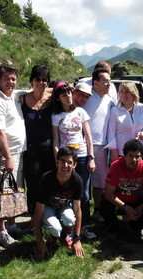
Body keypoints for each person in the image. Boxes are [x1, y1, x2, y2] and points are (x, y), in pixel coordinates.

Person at [52, 82, 96, 239]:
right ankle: (68, 227)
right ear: (58, 99)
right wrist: (58, 160)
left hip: (82, 156)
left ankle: (85, 225)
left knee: (84, 193)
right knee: (68, 192)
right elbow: (56, 141)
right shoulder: (56, 116)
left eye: (69, 93)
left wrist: (91, 157)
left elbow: (89, 137)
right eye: (64, 95)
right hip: (66, 159)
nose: (68, 97)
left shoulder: (81, 112)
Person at [0, 63, 27, 247]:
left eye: (13, 79)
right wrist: (7, 157)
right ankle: (0, 232)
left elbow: (40, 89)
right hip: (6, 154)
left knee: (13, 190)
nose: (10, 82)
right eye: (6, 79)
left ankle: (12, 226)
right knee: (3, 193)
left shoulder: (14, 96)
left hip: (18, 151)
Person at [99, 139, 143, 240]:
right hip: (119, 203)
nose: (134, 160)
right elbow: (108, 193)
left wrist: (142, 207)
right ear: (124, 156)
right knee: (104, 204)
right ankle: (112, 228)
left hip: (137, 203)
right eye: (131, 156)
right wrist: (124, 207)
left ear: (142, 157)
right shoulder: (116, 166)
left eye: (137, 156)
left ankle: (135, 226)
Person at [34, 146, 85, 258]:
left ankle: (64, 235)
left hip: (64, 206)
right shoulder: (46, 179)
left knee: (70, 219)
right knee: (56, 229)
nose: (65, 166)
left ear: (74, 165)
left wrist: (77, 239)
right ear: (57, 162)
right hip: (48, 208)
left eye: (69, 162)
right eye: (62, 161)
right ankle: (53, 236)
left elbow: (77, 209)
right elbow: (37, 212)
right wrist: (39, 241)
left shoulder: (77, 180)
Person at [20, 65, 55, 221]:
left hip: (49, 149)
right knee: (33, 185)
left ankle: (48, 216)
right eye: (38, 79)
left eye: (45, 80)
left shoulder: (52, 98)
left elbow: (66, 91)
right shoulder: (22, 99)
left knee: (48, 182)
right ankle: (34, 218)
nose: (41, 82)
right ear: (31, 81)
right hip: (31, 150)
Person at [81, 67, 115, 221]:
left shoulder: (110, 101)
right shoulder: (86, 98)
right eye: (105, 81)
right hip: (82, 146)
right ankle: (80, 212)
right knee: (83, 182)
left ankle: (97, 210)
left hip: (102, 146)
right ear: (95, 82)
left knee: (100, 182)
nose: (109, 84)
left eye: (109, 81)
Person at [106, 81, 143, 162]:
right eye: (121, 92)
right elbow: (111, 133)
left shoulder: (141, 108)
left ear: (133, 93)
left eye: (127, 92)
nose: (123, 95)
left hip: (140, 151)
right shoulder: (114, 111)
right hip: (122, 152)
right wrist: (114, 152)